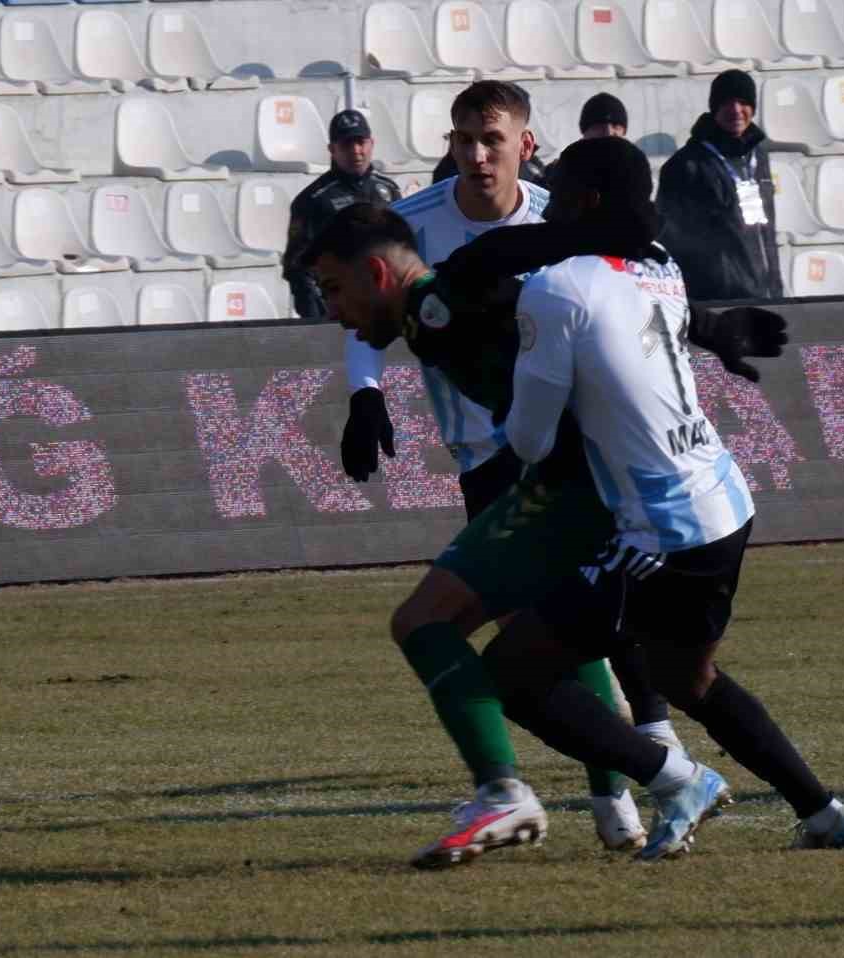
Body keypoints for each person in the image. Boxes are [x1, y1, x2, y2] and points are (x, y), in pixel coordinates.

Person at [302, 196, 789, 866]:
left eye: (334, 289)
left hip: (580, 492)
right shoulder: (430, 315)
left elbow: (520, 280)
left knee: (428, 624)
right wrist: (704, 325)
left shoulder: (444, 302)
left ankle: (524, 790)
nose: (334, 311)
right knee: (536, 633)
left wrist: (601, 244)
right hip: (570, 485)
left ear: (377, 276)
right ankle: (664, 780)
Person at [483, 136, 844, 860]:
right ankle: (826, 815)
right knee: (684, 677)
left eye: (560, 190)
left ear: (588, 201)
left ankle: (675, 779)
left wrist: (511, 366)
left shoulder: (556, 288)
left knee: (512, 671)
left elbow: (530, 441)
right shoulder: (660, 265)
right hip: (723, 501)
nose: (549, 203)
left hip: (662, 527)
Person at [337, 79, 671, 859]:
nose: (477, 155)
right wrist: (364, 392)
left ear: (526, 144)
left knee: (551, 625)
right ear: (448, 144)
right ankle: (628, 780)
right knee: (556, 629)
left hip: (570, 450)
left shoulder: (561, 221)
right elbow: (366, 299)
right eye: (463, 140)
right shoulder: (412, 223)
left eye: (493, 140)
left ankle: (622, 780)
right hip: (483, 456)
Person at [657, 69, 784, 301]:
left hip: (765, 294)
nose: (736, 110)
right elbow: (672, 242)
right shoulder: (686, 165)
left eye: (743, 102)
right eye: (727, 102)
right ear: (714, 108)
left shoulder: (759, 158)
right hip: (718, 301)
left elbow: (765, 230)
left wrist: (775, 285)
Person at [280, 108, 401, 319]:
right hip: (338, 312)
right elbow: (297, 266)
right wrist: (317, 318)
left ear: (371, 143)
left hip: (384, 307)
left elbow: (404, 249)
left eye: (360, 142)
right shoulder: (312, 200)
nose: (356, 150)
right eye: (346, 144)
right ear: (332, 149)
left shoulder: (389, 191)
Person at [541, 92, 629, 185]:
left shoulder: (634, 173)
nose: (608, 133)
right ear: (585, 133)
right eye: (599, 127)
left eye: (616, 126)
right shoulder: (559, 174)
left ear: (623, 132)